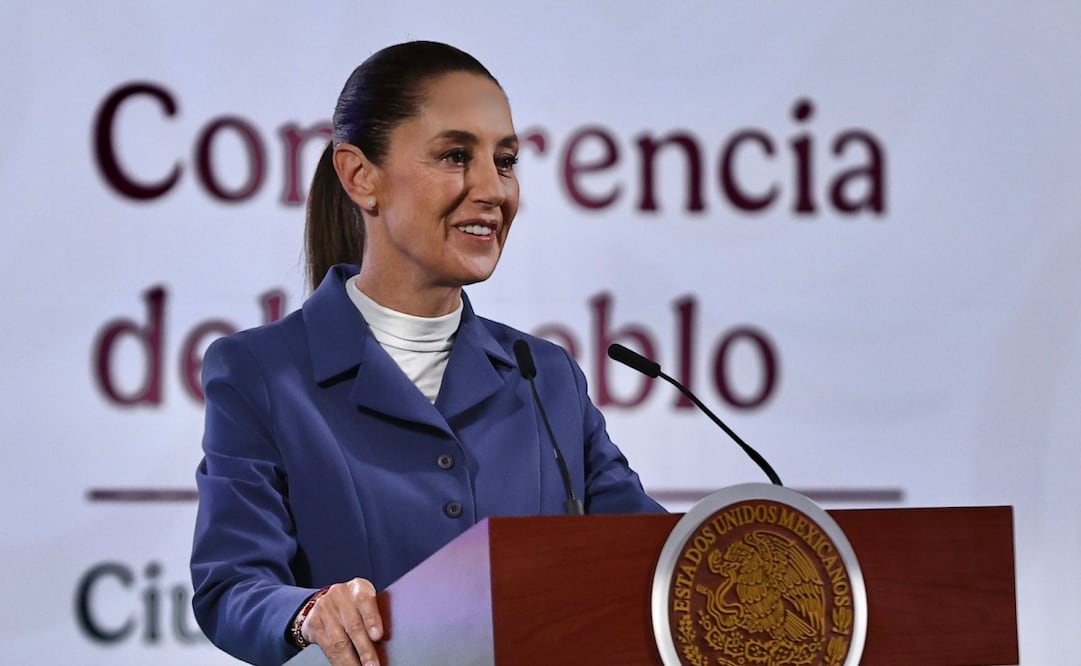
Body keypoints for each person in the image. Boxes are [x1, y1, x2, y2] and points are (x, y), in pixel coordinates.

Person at [190, 41, 664, 666]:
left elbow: (651, 562)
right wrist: (310, 614)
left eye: (507, 160)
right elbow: (231, 587)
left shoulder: (545, 377)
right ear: (361, 176)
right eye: (455, 156)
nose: (493, 190)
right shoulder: (261, 373)